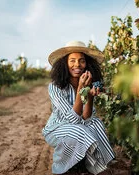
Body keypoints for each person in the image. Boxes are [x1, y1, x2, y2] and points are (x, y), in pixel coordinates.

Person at [42, 41, 115, 175]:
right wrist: (81, 89)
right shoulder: (55, 87)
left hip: (79, 126)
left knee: (96, 124)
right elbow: (72, 119)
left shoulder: (90, 83)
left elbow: (86, 118)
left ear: (87, 64)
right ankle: (61, 169)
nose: (77, 65)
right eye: (72, 61)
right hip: (56, 129)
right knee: (79, 129)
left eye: (81, 61)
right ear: (65, 63)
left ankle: (94, 165)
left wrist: (90, 96)